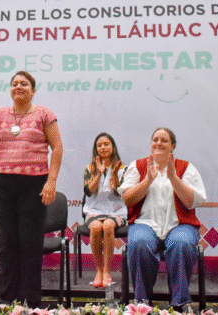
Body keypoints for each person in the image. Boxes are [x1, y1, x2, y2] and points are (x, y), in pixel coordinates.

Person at [0, 71, 63, 307]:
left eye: (24, 84)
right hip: (3, 185)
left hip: (34, 185)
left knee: (30, 243)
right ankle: (6, 299)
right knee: (7, 242)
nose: (18, 87)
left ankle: (32, 301)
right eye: (14, 84)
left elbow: (58, 147)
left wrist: (51, 181)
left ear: (33, 90)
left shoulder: (44, 113)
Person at [118, 127, 206, 310]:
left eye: (164, 140)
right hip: (145, 223)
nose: (159, 143)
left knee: (181, 243)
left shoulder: (186, 167)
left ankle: (179, 303)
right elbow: (127, 199)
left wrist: (174, 178)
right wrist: (148, 180)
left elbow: (192, 202)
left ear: (172, 146)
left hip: (180, 225)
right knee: (139, 241)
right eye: (155, 139)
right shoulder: (138, 166)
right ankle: (142, 303)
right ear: (151, 144)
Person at [83, 132, 127, 288]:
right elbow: (89, 191)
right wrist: (100, 173)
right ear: (96, 149)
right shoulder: (90, 168)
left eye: (106, 144)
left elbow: (118, 192)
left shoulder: (122, 168)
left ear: (112, 147)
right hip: (94, 209)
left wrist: (113, 175)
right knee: (95, 227)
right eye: (99, 145)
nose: (103, 147)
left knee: (108, 225)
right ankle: (99, 271)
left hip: (116, 210)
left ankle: (108, 271)